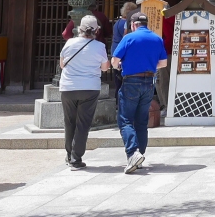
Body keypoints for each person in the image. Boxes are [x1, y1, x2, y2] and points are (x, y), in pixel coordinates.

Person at [111, 11, 168, 173]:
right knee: (142, 121)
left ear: (133, 25)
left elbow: (115, 61)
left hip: (131, 81)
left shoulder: (128, 38)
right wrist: (149, 66)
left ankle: (133, 153)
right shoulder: (157, 39)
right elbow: (163, 63)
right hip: (149, 82)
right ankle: (139, 156)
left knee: (125, 120)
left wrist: (122, 66)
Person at [60, 14, 110, 169]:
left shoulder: (69, 43)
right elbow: (105, 68)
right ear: (96, 30)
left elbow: (62, 65)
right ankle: (76, 158)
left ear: (79, 29)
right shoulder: (99, 47)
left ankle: (69, 154)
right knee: (83, 123)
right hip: (89, 87)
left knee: (69, 122)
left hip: (68, 86)